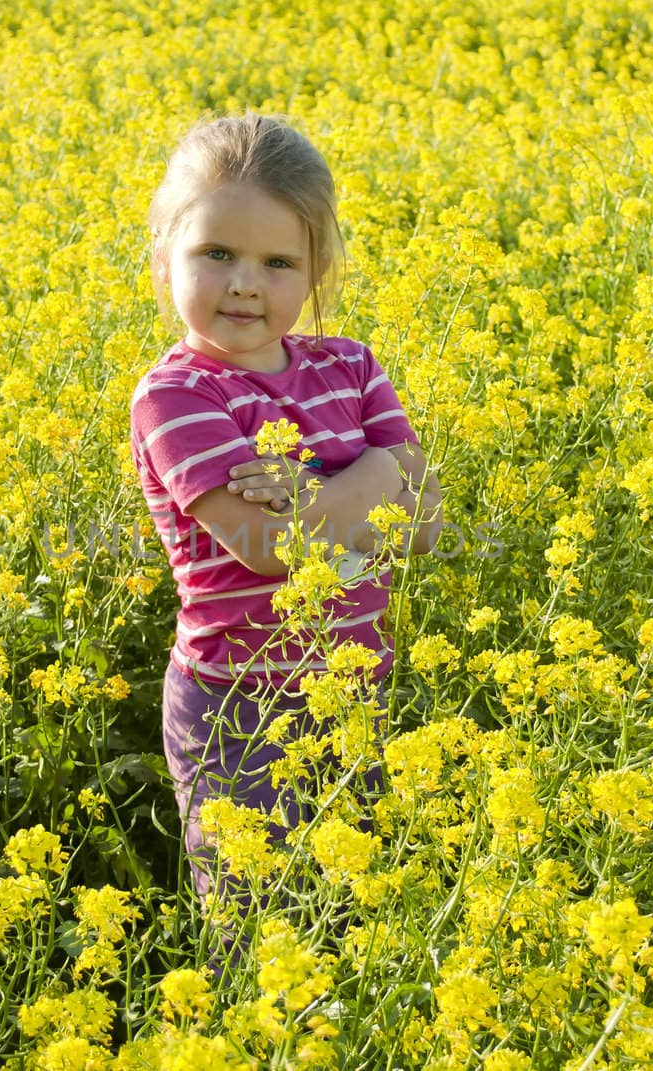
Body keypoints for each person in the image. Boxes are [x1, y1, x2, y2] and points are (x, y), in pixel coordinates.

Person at [127, 113, 442, 915]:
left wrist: (352, 478)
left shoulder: (351, 365)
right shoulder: (177, 395)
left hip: (354, 685)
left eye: (277, 262)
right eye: (217, 254)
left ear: (316, 271)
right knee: (255, 925)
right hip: (237, 704)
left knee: (357, 910)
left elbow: (429, 518)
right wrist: (379, 475)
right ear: (165, 258)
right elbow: (271, 548)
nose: (244, 283)